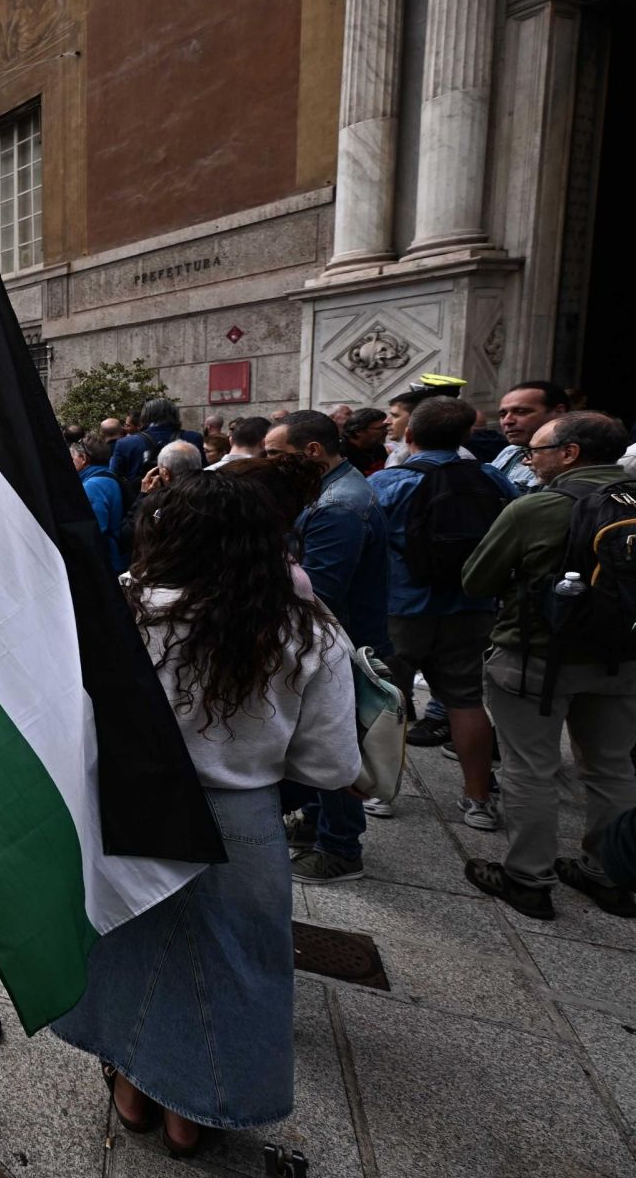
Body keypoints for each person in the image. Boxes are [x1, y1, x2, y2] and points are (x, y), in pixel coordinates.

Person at [54, 471, 358, 1156]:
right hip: (240, 820)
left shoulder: (117, 612)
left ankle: (131, 1088)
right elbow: (332, 766)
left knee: (128, 950)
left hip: (126, 808)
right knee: (230, 967)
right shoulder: (305, 629)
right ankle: (194, 1114)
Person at [462, 412, 636, 920]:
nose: (529, 461)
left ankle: (527, 879)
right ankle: (609, 874)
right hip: (622, 659)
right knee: (612, 767)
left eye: (535, 452)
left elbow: (476, 580)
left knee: (529, 768)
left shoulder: (538, 507)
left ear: (570, 453)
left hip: (536, 659)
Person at [368, 397, 515, 830]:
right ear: (466, 436)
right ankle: (478, 799)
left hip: (401, 608)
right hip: (470, 605)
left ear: (410, 435)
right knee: (465, 700)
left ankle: (380, 792)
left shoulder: (387, 483)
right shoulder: (493, 478)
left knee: (387, 701)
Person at [263, 410, 387, 884]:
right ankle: (317, 823)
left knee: (333, 737)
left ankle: (339, 848)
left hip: (344, 642)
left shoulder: (338, 507)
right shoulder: (334, 491)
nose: (270, 464)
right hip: (341, 636)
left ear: (311, 450)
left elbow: (322, 593)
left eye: (276, 454)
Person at [491, 381, 571, 492]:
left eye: (521, 412)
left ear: (559, 412)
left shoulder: (571, 461)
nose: (507, 421)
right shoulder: (510, 451)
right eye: (503, 414)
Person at [108, 398, 204, 486]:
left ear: (145, 416)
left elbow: (114, 477)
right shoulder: (193, 438)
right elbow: (202, 472)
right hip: (185, 495)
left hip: (140, 497)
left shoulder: (125, 443)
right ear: (175, 414)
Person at [71, 436, 125, 574]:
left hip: (106, 562)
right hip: (117, 557)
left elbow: (95, 530)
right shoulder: (109, 476)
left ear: (83, 458)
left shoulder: (92, 485)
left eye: (72, 458)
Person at [340, 408, 390, 476]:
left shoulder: (377, 447)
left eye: (385, 427)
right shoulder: (341, 455)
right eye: (380, 428)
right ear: (358, 431)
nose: (386, 431)